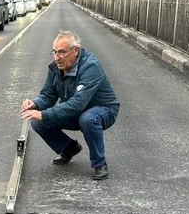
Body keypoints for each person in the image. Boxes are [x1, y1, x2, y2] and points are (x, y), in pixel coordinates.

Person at [21, 30, 119, 180]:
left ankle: (100, 163)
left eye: (61, 52)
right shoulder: (55, 68)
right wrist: (35, 104)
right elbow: (48, 95)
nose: (56, 58)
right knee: (37, 121)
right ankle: (69, 148)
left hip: (103, 110)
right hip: (75, 111)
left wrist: (45, 114)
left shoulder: (91, 66)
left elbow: (78, 102)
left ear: (75, 51)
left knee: (87, 119)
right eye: (54, 52)